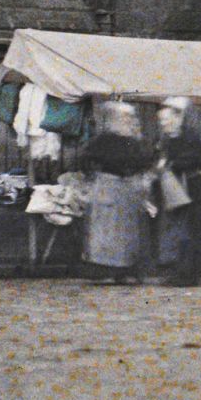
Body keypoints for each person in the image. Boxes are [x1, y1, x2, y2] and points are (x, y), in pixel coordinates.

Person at [81, 101, 154, 284]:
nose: (128, 120)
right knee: (105, 233)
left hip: (129, 190)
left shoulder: (136, 141)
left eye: (130, 117)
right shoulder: (102, 141)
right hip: (108, 188)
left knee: (129, 233)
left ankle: (127, 271)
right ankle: (105, 271)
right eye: (124, 117)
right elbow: (87, 160)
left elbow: (145, 161)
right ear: (113, 119)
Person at [152, 97, 201, 287]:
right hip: (175, 190)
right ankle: (178, 270)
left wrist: (173, 163)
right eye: (162, 121)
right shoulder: (166, 138)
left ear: (177, 117)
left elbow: (199, 158)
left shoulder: (190, 136)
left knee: (190, 230)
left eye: (167, 120)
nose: (164, 124)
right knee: (176, 230)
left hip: (192, 190)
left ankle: (189, 272)